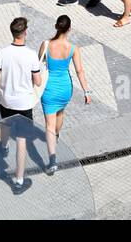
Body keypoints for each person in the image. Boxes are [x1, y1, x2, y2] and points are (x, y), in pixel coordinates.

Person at [0, 17, 43, 195]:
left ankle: (3, 148)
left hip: (6, 100)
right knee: (21, 139)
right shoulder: (32, 54)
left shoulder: (2, 52)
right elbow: (38, 81)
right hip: (24, 103)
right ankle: (18, 180)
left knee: (5, 124)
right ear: (25, 32)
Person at [38, 15, 91, 175]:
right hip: (65, 89)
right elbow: (79, 70)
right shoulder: (74, 49)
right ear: (69, 29)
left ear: (56, 26)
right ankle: (57, 135)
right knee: (60, 112)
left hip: (48, 89)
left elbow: (37, 66)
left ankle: (52, 161)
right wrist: (87, 91)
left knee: (48, 125)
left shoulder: (46, 44)